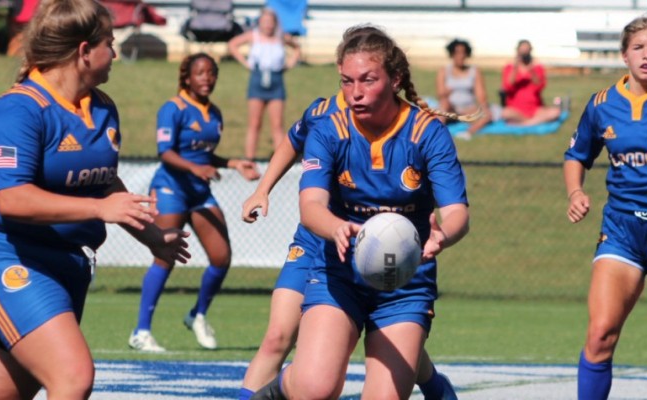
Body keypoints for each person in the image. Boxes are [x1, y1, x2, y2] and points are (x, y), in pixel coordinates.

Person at [0, 0, 191, 398]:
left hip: (67, 263)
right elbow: (11, 198)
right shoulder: (15, 111)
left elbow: (104, 183)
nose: (114, 53)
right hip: (5, 256)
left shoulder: (103, 109)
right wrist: (98, 210)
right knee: (73, 377)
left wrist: (151, 236)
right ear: (83, 51)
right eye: (109, 43)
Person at [251, 25, 470, 400]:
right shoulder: (328, 127)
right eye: (347, 81)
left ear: (395, 78)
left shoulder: (427, 133)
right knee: (314, 388)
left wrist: (443, 234)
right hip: (340, 273)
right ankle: (273, 391)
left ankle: (428, 377)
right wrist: (336, 227)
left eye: (368, 80)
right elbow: (311, 207)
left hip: (404, 282)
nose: (355, 92)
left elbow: (457, 213)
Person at [128, 53, 260, 352]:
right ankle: (140, 332)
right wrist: (196, 169)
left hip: (200, 193)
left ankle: (197, 314)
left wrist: (234, 163)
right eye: (200, 73)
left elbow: (205, 155)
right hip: (170, 189)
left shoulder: (214, 114)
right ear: (187, 77)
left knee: (221, 257)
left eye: (212, 73)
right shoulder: (172, 109)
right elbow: (166, 153)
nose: (207, 78)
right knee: (165, 256)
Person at [564, 14, 647, 400]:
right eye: (639, 47)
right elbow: (577, 155)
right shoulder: (603, 104)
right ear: (624, 55)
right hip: (622, 230)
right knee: (600, 333)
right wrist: (575, 192)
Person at [227, 7, 301, 160]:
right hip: (257, 79)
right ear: (259, 22)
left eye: (270, 22)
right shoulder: (253, 36)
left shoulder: (281, 37)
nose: (267, 25)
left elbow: (297, 48)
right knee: (254, 123)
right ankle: (249, 159)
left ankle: (281, 160)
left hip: (276, 80)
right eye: (264, 21)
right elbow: (232, 45)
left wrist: (289, 64)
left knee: (277, 124)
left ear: (275, 23)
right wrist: (246, 63)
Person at [436, 38, 492, 140]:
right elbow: (441, 94)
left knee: (487, 113)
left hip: (468, 108)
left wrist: (482, 107)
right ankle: (438, 134)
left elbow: (481, 96)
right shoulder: (444, 71)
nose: (461, 56)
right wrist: (447, 92)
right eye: (457, 53)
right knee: (443, 104)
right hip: (451, 108)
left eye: (463, 52)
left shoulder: (474, 71)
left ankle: (468, 133)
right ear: (452, 54)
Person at [500, 39, 561, 126]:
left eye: (527, 51)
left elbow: (539, 86)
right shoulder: (510, 67)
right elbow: (507, 86)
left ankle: (525, 123)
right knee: (505, 113)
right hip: (515, 109)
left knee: (556, 112)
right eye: (522, 51)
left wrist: (531, 70)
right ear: (517, 51)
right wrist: (515, 67)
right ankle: (532, 122)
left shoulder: (537, 67)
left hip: (535, 108)